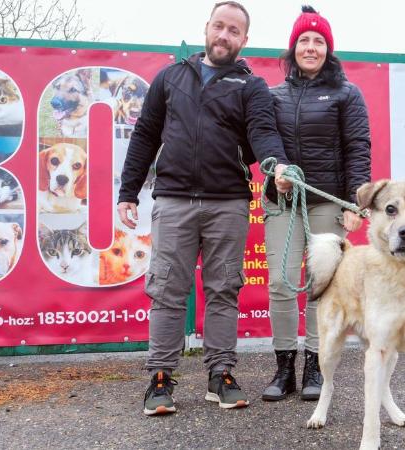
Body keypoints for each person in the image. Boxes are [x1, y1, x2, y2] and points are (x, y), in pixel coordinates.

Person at [116, 1, 292, 415]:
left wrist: (277, 166)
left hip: (228, 202)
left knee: (223, 289)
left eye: (234, 31)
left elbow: (263, 134)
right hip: (173, 199)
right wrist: (128, 192)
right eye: (219, 26)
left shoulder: (252, 88)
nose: (224, 36)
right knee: (166, 290)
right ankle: (160, 379)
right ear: (207, 28)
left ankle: (220, 375)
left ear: (244, 40)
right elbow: (144, 135)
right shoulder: (171, 78)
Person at [261, 5, 372, 402]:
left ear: (329, 48)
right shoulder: (272, 95)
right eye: (304, 41)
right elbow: (264, 143)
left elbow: (358, 147)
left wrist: (355, 204)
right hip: (284, 201)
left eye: (318, 41)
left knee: (319, 285)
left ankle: (315, 366)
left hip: (327, 200)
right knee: (279, 282)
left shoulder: (346, 93)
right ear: (293, 49)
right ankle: (283, 367)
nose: (311, 47)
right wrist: (276, 170)